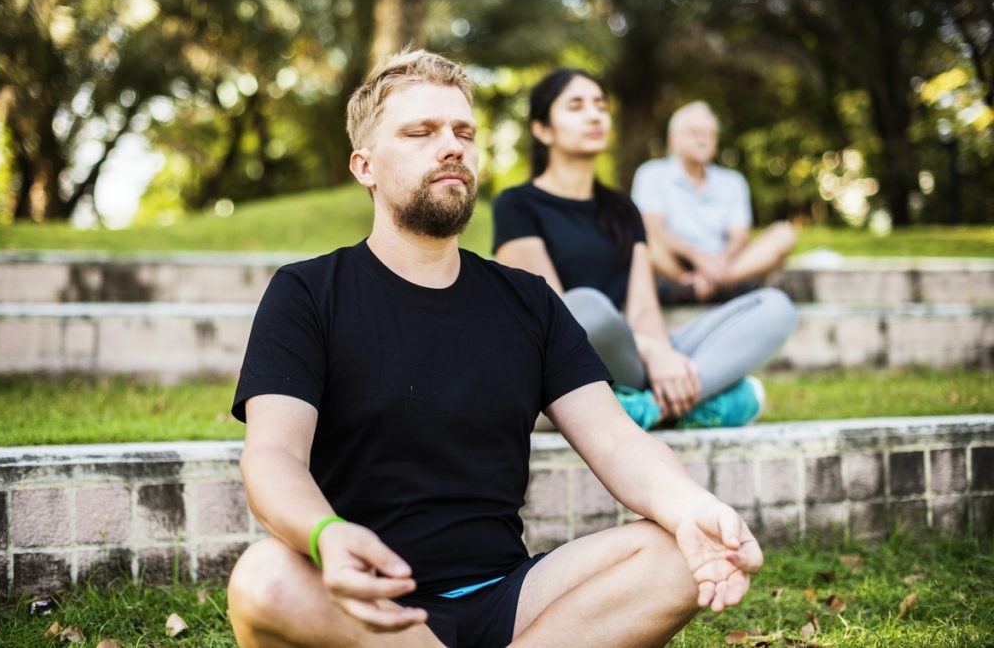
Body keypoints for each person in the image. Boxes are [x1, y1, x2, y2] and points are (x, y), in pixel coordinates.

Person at [226, 51, 763, 648]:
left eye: (463, 132)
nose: (451, 146)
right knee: (264, 577)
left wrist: (692, 507)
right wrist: (324, 534)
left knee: (678, 551)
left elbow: (615, 440)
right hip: (367, 609)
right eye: (420, 132)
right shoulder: (307, 292)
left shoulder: (528, 301)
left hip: (512, 601)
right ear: (365, 165)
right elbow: (271, 457)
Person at [492, 70, 798, 430]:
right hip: (568, 360)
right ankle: (696, 400)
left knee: (775, 307)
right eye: (576, 106)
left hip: (629, 357)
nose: (594, 115)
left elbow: (643, 308)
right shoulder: (517, 205)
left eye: (600, 106)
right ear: (542, 130)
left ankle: (648, 408)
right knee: (585, 307)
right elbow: (552, 320)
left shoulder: (623, 209)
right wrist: (653, 352)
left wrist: (661, 351)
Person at [631, 101, 797, 304]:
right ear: (673, 140)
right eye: (695, 133)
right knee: (637, 238)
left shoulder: (733, 181)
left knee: (784, 233)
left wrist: (719, 265)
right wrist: (698, 259)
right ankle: (687, 283)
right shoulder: (651, 174)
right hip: (674, 263)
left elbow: (739, 235)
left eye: (709, 134)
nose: (703, 140)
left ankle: (712, 284)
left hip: (725, 265)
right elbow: (653, 227)